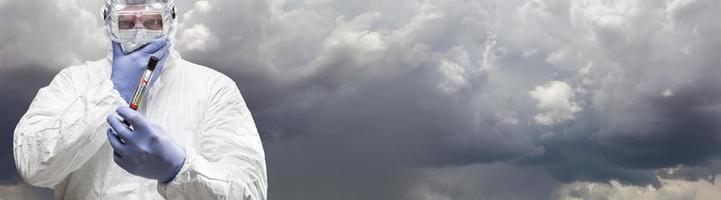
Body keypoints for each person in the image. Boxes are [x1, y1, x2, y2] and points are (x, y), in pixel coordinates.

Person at [12, 0, 268, 199]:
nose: (139, 33)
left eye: (151, 22)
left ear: (170, 21)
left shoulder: (213, 88)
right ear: (108, 22)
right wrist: (112, 91)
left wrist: (178, 170)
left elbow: (249, 192)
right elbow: (33, 166)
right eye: (126, 23)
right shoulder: (74, 82)